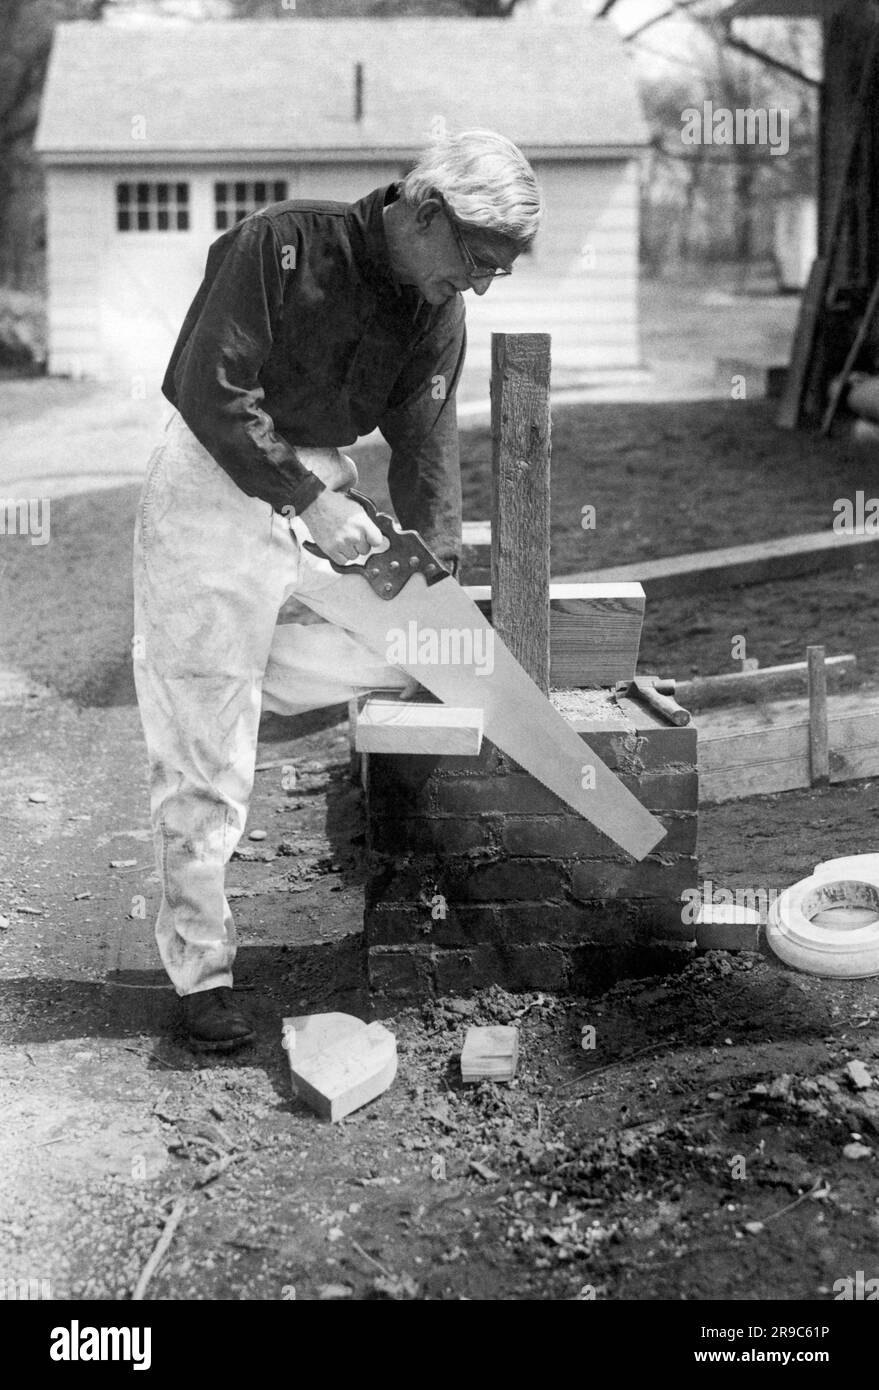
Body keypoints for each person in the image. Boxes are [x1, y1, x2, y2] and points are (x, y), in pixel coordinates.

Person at [132, 129, 543, 1051]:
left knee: (417, 653)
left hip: (320, 486)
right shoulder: (276, 245)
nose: (476, 286)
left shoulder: (436, 307)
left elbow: (426, 448)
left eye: (496, 276)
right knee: (204, 740)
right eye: (477, 262)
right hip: (213, 478)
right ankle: (203, 973)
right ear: (428, 213)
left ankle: (228, 689)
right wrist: (304, 501)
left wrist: (439, 585)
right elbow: (206, 384)